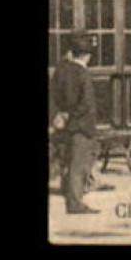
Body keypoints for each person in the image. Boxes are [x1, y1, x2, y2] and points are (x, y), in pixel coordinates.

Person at [50, 31, 101, 214]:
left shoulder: (61, 70)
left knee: (69, 162)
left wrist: (58, 116)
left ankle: (72, 196)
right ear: (87, 55)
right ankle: (75, 204)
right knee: (78, 165)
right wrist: (71, 117)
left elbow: (53, 97)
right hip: (81, 126)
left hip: (64, 125)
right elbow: (86, 104)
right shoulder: (83, 74)